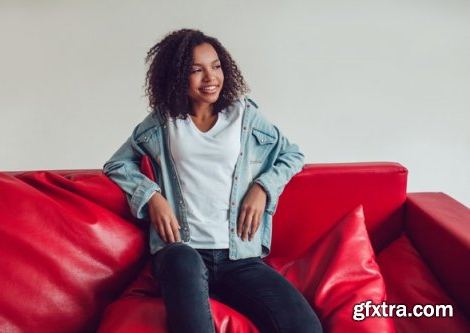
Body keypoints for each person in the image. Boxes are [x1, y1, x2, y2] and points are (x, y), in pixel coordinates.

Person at [103, 29, 322, 333]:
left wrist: (263, 188)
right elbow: (116, 163)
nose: (210, 77)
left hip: (239, 256)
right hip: (182, 251)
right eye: (196, 70)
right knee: (182, 260)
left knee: (305, 327)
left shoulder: (243, 116)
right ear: (177, 75)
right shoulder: (163, 122)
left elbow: (292, 155)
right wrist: (151, 196)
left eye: (216, 66)